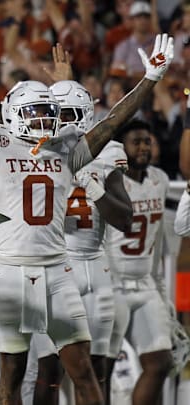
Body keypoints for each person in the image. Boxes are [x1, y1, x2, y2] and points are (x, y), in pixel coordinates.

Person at [0, 27, 174, 405]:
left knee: (83, 372)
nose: (44, 119)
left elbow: (111, 123)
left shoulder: (65, 149)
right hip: (10, 272)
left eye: (48, 112)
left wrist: (151, 78)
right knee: (10, 376)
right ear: (12, 114)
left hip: (59, 272)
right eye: (35, 112)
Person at [23, 80, 134, 405]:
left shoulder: (109, 151)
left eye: (71, 114)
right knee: (49, 373)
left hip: (94, 269)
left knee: (96, 373)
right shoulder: (37, 149)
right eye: (57, 113)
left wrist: (94, 188)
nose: (64, 122)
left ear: (85, 115)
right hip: (53, 267)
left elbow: (125, 219)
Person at [105, 119, 174, 405]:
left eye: (147, 141)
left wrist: (158, 285)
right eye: (137, 141)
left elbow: (157, 241)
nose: (144, 147)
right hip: (112, 284)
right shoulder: (110, 180)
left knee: (160, 362)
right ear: (122, 148)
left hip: (144, 282)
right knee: (101, 371)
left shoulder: (160, 179)